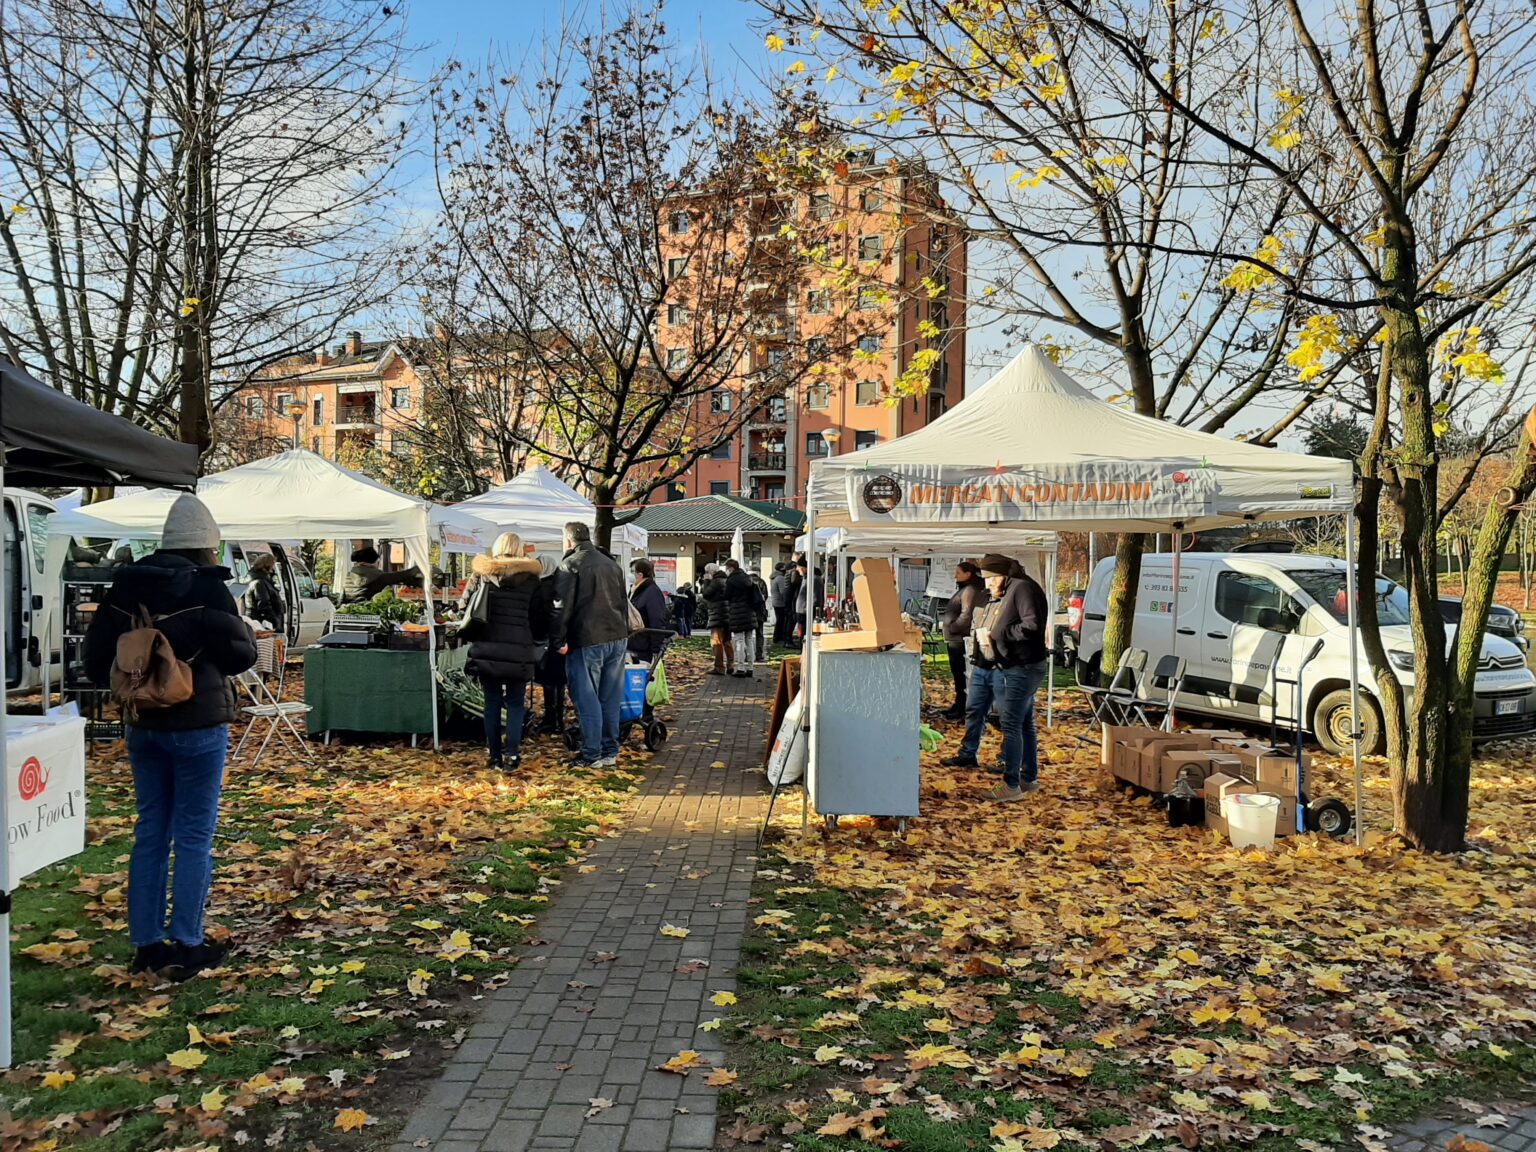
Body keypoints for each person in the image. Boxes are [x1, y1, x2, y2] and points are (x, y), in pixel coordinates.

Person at [83, 494, 258, 980]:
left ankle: (145, 945)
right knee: (195, 835)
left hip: (145, 724)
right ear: (208, 545)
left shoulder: (124, 588)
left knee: (150, 832)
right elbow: (241, 657)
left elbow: (97, 663)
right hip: (199, 722)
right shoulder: (209, 588)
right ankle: (187, 941)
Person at [942, 553, 1051, 801]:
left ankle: (1011, 785)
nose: (988, 585)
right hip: (1015, 664)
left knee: (1011, 724)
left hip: (1022, 666)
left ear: (1003, 575)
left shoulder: (1022, 588)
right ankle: (1028, 778)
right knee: (1024, 723)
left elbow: (1032, 625)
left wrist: (999, 633)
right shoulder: (1013, 588)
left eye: (991, 580)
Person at [462, 532, 545, 771]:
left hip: (487, 647)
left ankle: (494, 755)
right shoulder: (531, 579)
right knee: (516, 704)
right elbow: (538, 618)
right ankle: (513, 754)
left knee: (492, 703)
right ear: (520, 549)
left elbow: (465, 607)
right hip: (519, 649)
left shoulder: (482, 574)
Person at [551, 521, 629, 768]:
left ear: (568, 540)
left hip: (587, 638)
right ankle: (609, 751)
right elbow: (622, 601)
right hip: (616, 636)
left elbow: (561, 607)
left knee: (587, 698)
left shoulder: (570, 564)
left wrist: (558, 641)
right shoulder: (611, 564)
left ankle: (592, 754)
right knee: (609, 698)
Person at [940, 561, 989, 721]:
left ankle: (962, 707)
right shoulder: (965, 589)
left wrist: (953, 627)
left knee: (961, 675)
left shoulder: (969, 590)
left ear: (968, 574)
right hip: (955, 638)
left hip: (959, 639)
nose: (955, 575)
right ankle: (958, 704)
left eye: (958, 572)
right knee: (957, 675)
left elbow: (966, 614)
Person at [533, 554, 567, 734]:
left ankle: (550, 718)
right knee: (559, 681)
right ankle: (559, 718)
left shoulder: (541, 588)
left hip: (544, 641)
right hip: (560, 640)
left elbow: (537, 616)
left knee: (548, 681)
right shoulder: (561, 585)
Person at [342, 545, 421, 605]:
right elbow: (400, 576)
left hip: (350, 611)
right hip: (368, 612)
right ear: (373, 562)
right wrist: (420, 566)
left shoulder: (349, 575)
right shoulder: (378, 576)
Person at [723, 559, 763, 678]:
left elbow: (726, 595)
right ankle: (750, 668)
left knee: (739, 640)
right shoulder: (748, 578)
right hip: (750, 612)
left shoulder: (731, 580)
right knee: (749, 639)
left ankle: (740, 668)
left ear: (731, 568)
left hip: (737, 612)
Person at [629, 558, 670, 663]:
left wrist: (656, 651)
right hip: (635, 644)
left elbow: (657, 622)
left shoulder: (652, 592)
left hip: (644, 648)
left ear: (640, 574)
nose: (630, 575)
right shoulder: (635, 590)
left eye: (632, 572)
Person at [700, 563, 733, 675]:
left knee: (716, 642)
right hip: (727, 614)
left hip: (717, 614)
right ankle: (730, 664)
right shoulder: (726, 580)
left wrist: (706, 581)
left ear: (711, 572)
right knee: (727, 641)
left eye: (706, 572)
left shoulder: (716, 581)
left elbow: (706, 594)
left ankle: (719, 667)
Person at [245, 553, 286, 635]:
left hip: (264, 622)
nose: (274, 568)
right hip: (265, 625)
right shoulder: (260, 582)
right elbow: (263, 604)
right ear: (267, 566)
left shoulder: (262, 581)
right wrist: (275, 620)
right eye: (273, 565)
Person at [749, 567, 770, 660]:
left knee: (748, 635)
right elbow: (764, 596)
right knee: (759, 634)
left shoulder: (746, 582)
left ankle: (747, 655)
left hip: (749, 611)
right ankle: (759, 655)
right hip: (760, 611)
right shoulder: (761, 582)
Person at [769, 563, 792, 646]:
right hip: (780, 603)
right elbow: (783, 592)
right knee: (781, 621)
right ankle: (778, 638)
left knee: (780, 621)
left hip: (776, 602)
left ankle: (777, 638)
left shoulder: (775, 577)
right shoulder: (780, 578)